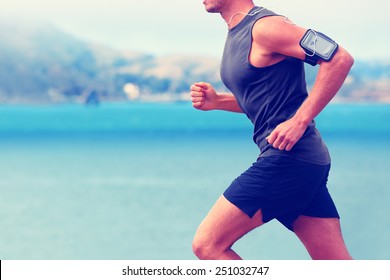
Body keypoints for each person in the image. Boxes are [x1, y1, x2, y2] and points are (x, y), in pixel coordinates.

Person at [190, 0, 354, 260]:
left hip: (288, 159)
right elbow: (267, 100)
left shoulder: (267, 27)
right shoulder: (238, 31)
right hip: (304, 162)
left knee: (208, 245)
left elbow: (339, 58)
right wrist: (218, 102)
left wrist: (300, 120)